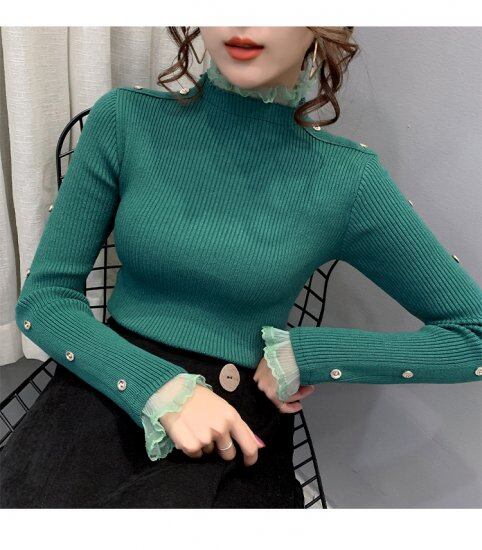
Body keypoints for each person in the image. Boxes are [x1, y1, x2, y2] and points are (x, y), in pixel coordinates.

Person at [2, 26, 481, 508]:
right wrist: (157, 389)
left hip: (237, 428)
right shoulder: (125, 120)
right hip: (106, 380)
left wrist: (310, 354)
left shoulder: (348, 179)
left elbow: (473, 335)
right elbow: (45, 300)